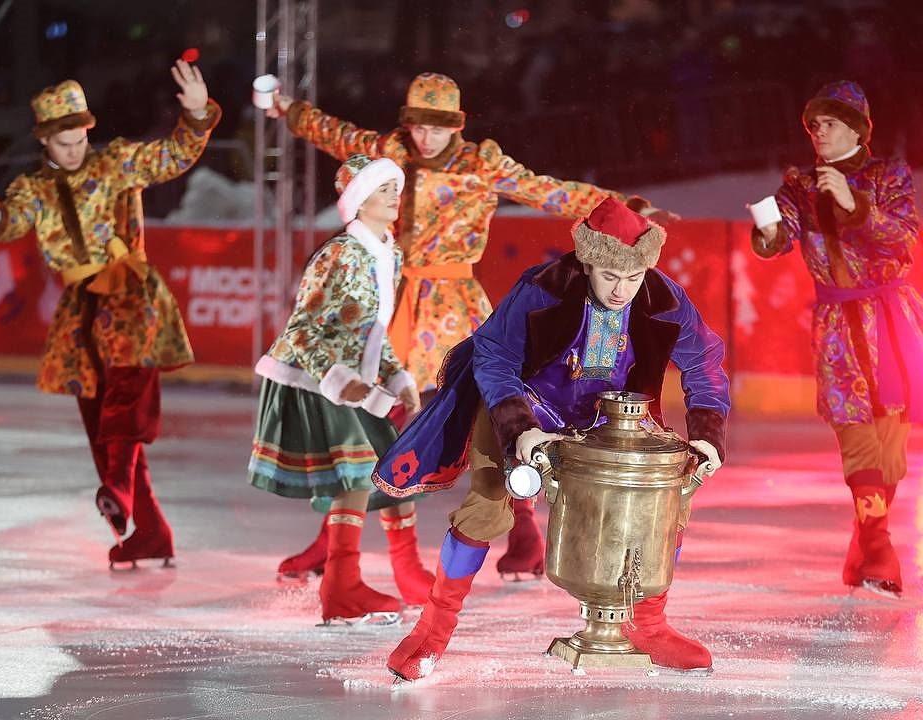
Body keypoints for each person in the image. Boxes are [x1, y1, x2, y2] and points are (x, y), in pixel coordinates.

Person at [269, 72, 676, 580]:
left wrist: (625, 209)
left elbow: (545, 190)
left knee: (487, 415)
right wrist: (284, 108)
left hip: (453, 302)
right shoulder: (388, 153)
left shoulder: (480, 164)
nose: (425, 137)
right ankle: (336, 544)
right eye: (417, 125)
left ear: (456, 126)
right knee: (371, 420)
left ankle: (523, 531)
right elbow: (337, 134)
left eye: (437, 128)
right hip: (393, 302)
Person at [372, 197, 730, 679]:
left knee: (667, 500)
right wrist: (521, 428)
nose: (622, 289)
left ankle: (647, 624)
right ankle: (432, 632)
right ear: (587, 261)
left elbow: (705, 363)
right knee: (486, 506)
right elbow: (494, 357)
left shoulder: (664, 297)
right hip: (525, 403)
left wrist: (707, 436)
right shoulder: (544, 289)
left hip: (611, 418)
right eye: (609, 276)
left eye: (633, 277)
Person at [0, 60, 221, 568]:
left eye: (80, 136)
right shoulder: (33, 188)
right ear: (44, 143)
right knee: (97, 419)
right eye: (63, 142)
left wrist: (195, 117)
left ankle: (120, 494)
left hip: (130, 295)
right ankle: (150, 531)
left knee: (125, 402)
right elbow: (10, 221)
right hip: (81, 308)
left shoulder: (118, 163)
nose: (75, 147)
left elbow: (173, 155)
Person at [751, 81, 922, 599]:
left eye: (826, 123)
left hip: (892, 319)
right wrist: (768, 228)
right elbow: (780, 236)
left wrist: (855, 203)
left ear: (855, 128)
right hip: (839, 327)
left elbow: (907, 241)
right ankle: (878, 546)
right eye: (812, 126)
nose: (817, 133)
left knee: (890, 443)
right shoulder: (800, 184)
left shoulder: (889, 175)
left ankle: (866, 541)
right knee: (854, 429)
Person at [247, 154, 436, 621]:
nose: (396, 195)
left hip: (356, 383)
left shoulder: (389, 253)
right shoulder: (339, 254)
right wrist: (337, 378)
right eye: (383, 188)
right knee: (355, 475)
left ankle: (406, 571)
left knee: (395, 470)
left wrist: (397, 377)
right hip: (316, 380)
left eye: (397, 187)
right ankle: (341, 585)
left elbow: (373, 332)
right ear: (358, 200)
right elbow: (301, 327)